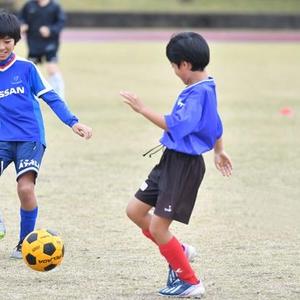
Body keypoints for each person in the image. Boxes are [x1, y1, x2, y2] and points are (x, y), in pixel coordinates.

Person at [120, 32, 232, 298]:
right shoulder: (204, 86)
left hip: (184, 165)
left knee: (159, 227)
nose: (173, 70)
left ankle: (190, 281)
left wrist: (142, 108)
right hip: (170, 160)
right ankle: (178, 252)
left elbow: (177, 125)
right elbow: (215, 122)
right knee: (135, 211)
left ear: (184, 64)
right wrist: (219, 150)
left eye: (173, 65)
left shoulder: (197, 93)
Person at [0, 11, 92, 259]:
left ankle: (23, 243)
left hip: (30, 138)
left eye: (7, 41)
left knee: (25, 189)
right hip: (1, 139)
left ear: (16, 41)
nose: (2, 47)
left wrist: (73, 122)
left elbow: (50, 97)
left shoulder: (26, 68)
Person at [19, 0, 66, 99]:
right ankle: (29, 97)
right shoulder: (29, 5)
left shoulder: (55, 6)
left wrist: (50, 30)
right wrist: (22, 26)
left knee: (51, 68)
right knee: (30, 70)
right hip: (34, 45)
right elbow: (21, 19)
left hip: (50, 44)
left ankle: (59, 97)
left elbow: (61, 23)